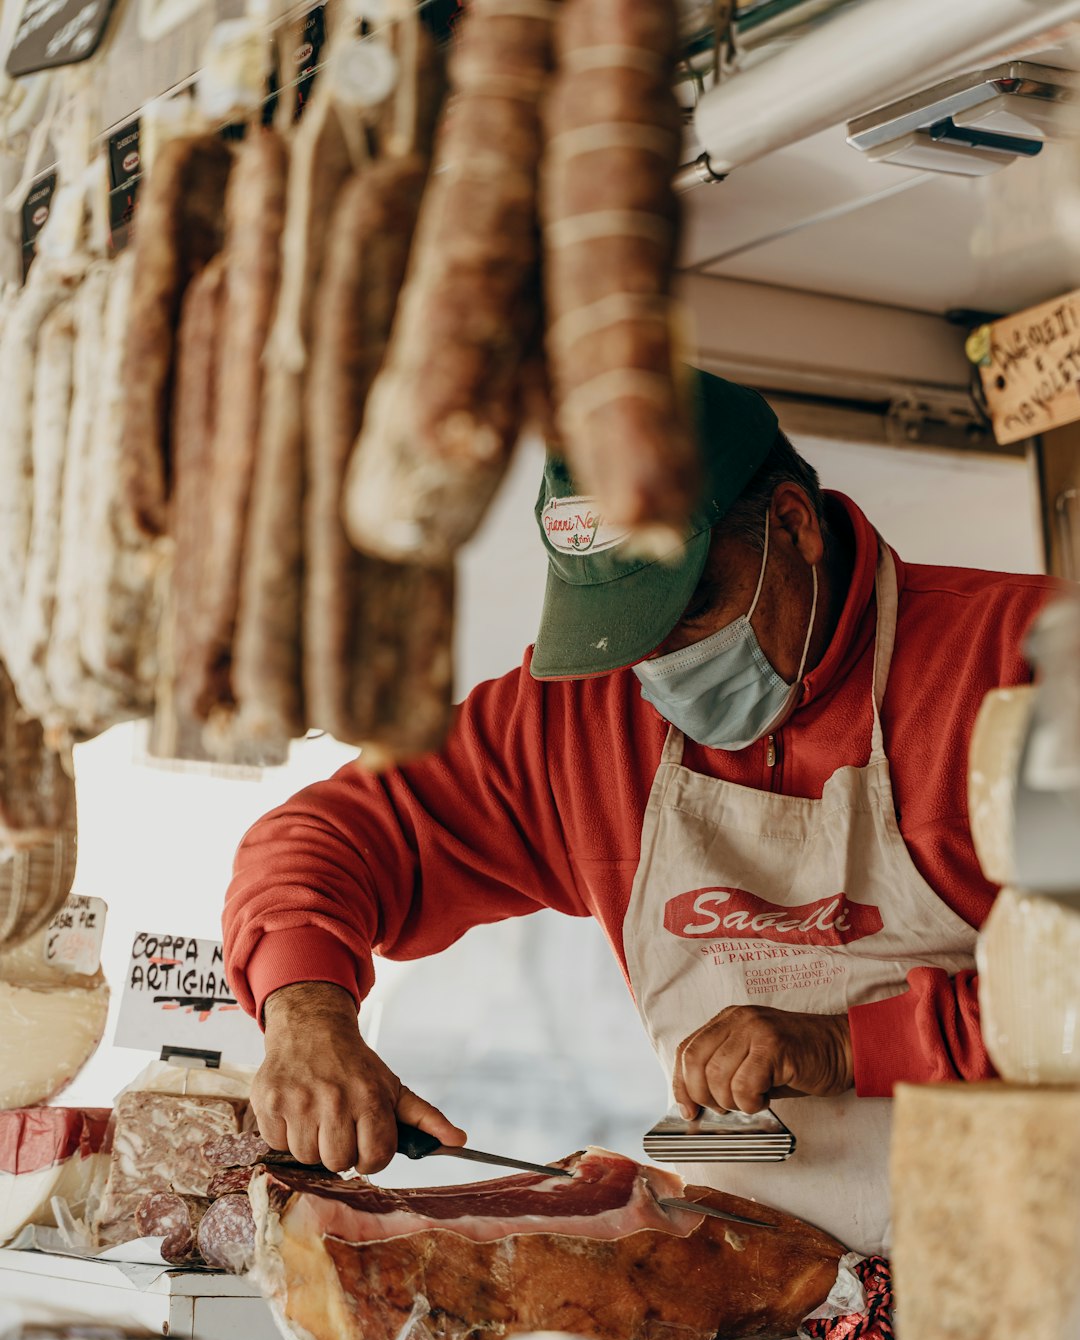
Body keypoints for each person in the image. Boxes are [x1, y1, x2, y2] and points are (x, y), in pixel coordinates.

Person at [223, 368, 1054, 1251]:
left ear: (792, 525)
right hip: (760, 1314)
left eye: (689, 612)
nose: (656, 668)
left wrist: (851, 1046)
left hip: (1037, 1292)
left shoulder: (1029, 666)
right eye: (622, 635)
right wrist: (307, 1014)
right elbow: (325, 837)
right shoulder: (584, 716)